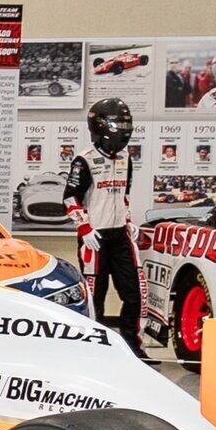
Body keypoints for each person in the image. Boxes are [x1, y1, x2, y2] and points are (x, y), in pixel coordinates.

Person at [68, 97, 141, 335]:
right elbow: (70, 198)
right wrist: (84, 228)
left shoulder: (126, 158)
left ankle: (132, 344)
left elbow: (123, 194)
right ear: (100, 125)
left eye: (126, 124)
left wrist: (127, 220)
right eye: (119, 124)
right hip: (95, 238)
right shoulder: (84, 160)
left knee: (133, 293)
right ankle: (94, 342)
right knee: (95, 296)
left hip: (120, 236)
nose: (124, 129)